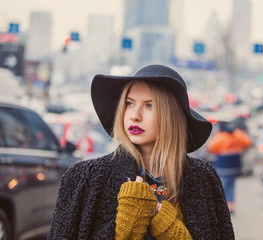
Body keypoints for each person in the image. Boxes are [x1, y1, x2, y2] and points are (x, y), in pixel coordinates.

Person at [48, 64, 234, 239]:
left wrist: (168, 228)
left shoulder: (203, 179)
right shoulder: (84, 178)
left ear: (172, 116)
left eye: (149, 105)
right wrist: (130, 222)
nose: (135, 115)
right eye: (129, 103)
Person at [208, 120, 253, 213]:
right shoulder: (238, 135)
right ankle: (230, 207)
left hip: (223, 167)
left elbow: (211, 148)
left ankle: (221, 207)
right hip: (235, 167)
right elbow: (248, 142)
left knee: (222, 186)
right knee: (231, 186)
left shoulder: (220, 137)